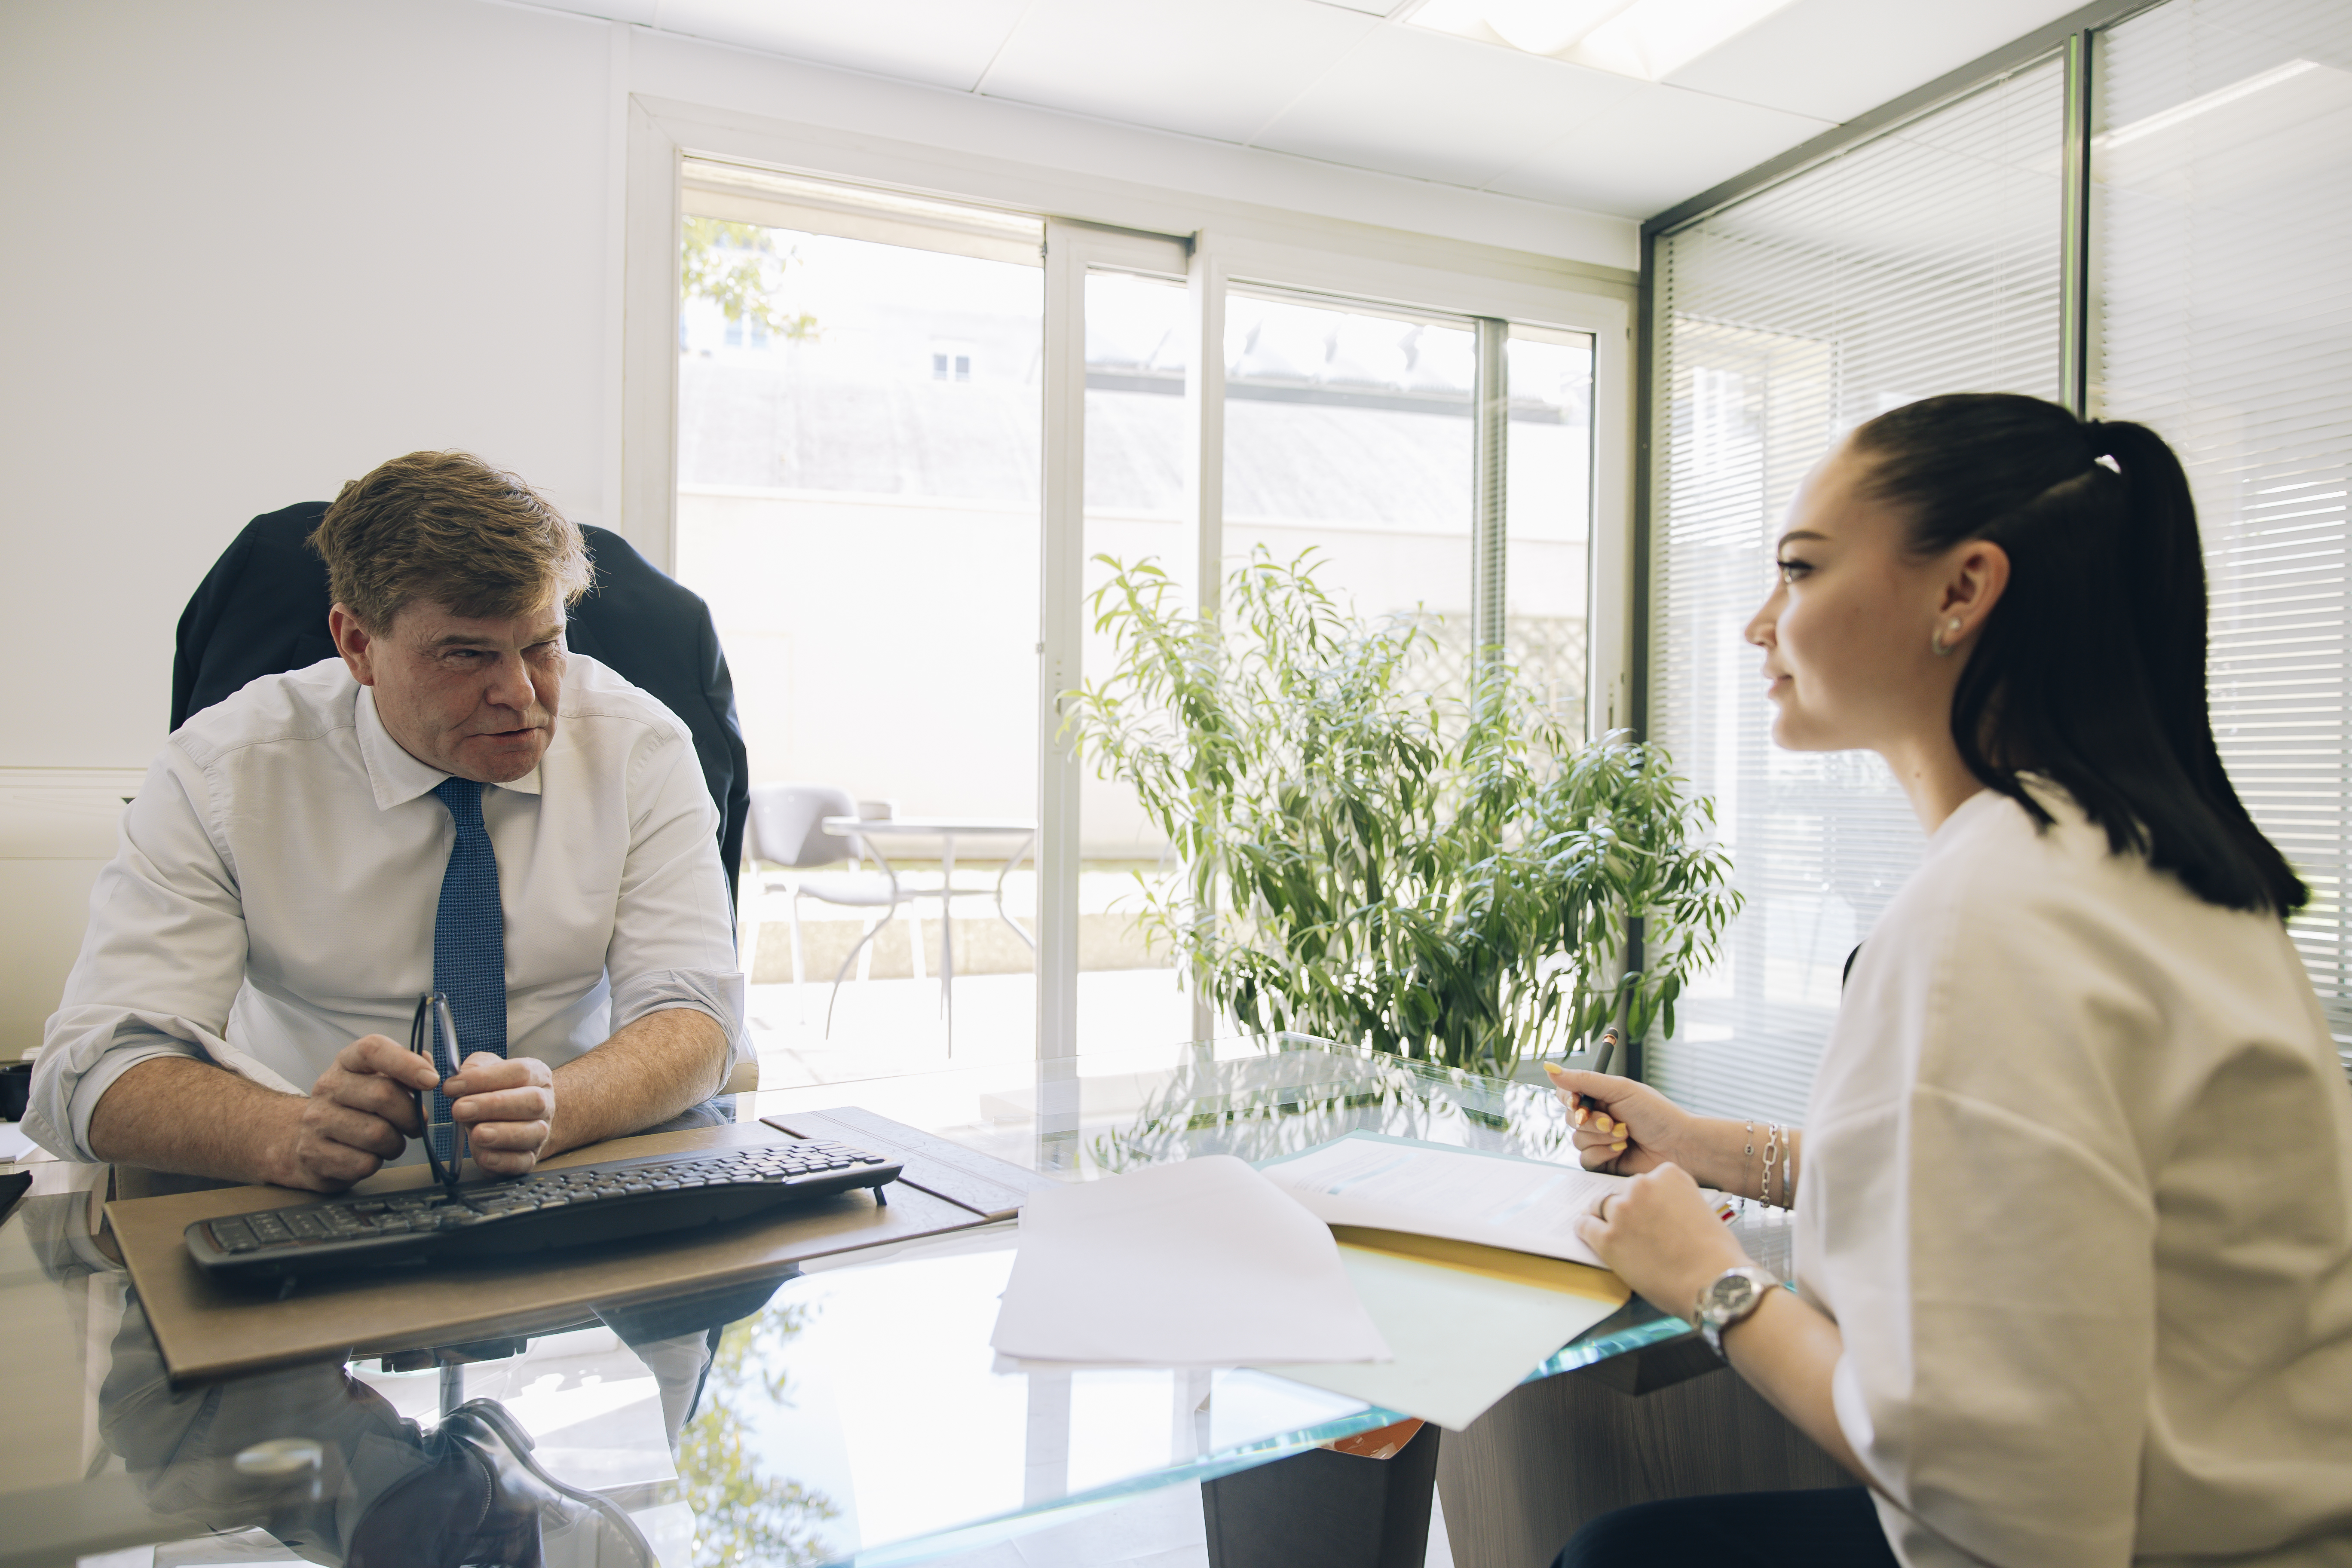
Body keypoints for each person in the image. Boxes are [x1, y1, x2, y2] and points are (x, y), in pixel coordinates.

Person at [1545, 394, 2352, 1567]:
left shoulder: (1994, 917)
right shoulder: (2155, 869)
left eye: (1802, 570)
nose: (1760, 625)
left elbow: (1997, 1510)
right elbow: (2035, 1199)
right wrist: (1701, 1149)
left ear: (1963, 592)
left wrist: (1711, 1282)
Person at [26, 451, 748, 1189]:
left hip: (568, 1163)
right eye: (466, 655)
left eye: (543, 646)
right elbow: (95, 1068)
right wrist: (285, 1132)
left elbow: (695, 1015)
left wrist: (561, 1108)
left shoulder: (640, 748)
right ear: (358, 645)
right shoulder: (223, 770)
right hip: (301, 1181)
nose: (520, 694)